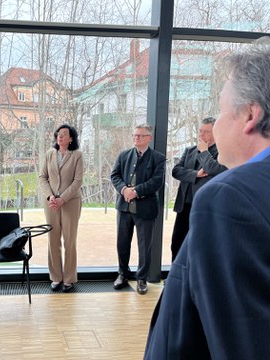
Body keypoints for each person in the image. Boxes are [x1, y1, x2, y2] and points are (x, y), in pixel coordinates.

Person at [144, 37, 270, 359]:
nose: (213, 128)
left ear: (249, 116)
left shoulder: (231, 198)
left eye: (221, 109)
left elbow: (239, 341)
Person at [110, 124, 166, 295]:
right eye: (134, 135)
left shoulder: (158, 158)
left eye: (141, 135)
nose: (137, 138)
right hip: (124, 207)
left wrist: (135, 191)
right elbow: (115, 175)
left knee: (144, 246)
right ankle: (122, 274)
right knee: (122, 243)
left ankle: (142, 278)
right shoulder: (124, 155)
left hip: (146, 209)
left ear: (149, 138)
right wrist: (124, 190)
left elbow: (157, 182)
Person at [170, 116, 227, 261]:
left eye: (206, 132)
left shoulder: (223, 153)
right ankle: (176, 280)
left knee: (198, 246)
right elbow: (176, 171)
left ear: (215, 132)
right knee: (177, 243)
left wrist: (204, 152)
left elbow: (212, 168)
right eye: (200, 131)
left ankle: (193, 281)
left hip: (205, 206)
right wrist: (196, 174)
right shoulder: (189, 150)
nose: (201, 135)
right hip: (185, 205)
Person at [39, 124, 83, 293]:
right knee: (53, 239)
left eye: (64, 134)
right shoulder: (50, 154)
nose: (60, 137)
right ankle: (56, 278)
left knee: (69, 240)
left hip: (70, 203)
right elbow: (42, 177)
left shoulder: (77, 155)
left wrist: (62, 199)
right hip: (51, 203)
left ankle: (69, 278)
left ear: (71, 138)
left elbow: (78, 181)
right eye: (58, 134)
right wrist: (51, 197)